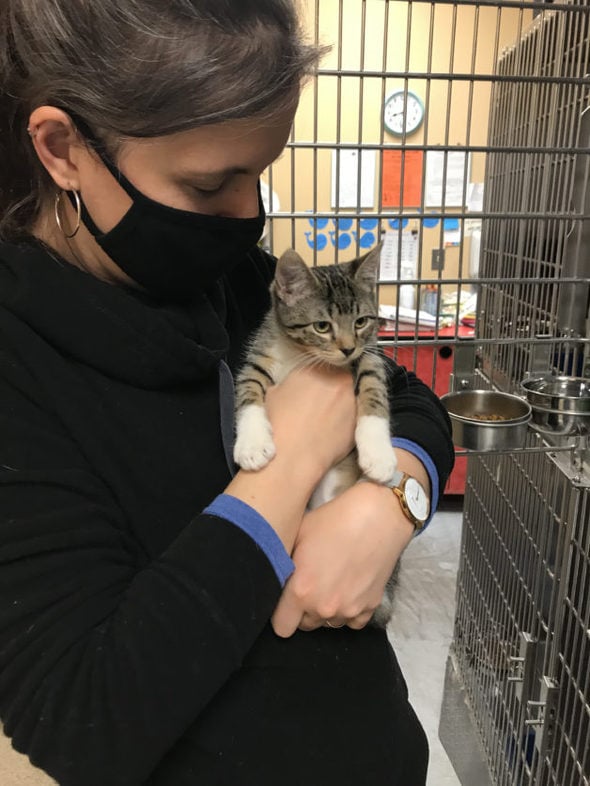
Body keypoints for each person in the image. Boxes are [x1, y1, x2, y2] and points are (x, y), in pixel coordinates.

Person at [0, 2, 455, 784]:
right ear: (61, 147)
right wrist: (291, 462)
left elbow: (409, 397)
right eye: (212, 183)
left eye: (260, 174)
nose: (249, 218)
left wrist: (395, 502)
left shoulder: (232, 278)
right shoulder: (22, 361)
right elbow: (81, 720)